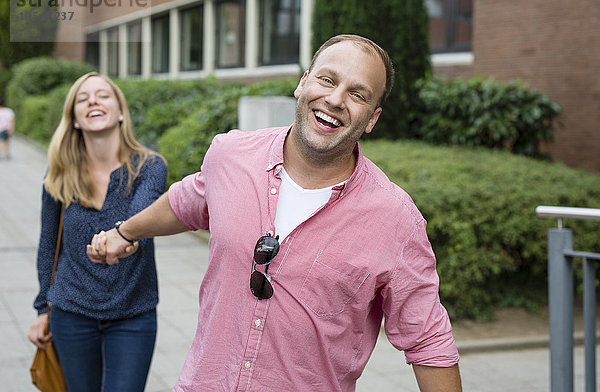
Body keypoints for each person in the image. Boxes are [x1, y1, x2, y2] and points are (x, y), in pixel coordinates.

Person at [89, 34, 462, 391]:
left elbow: (428, 340)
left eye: (357, 94)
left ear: (372, 119)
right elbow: (187, 201)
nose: (334, 99)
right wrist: (125, 233)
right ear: (303, 83)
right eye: (327, 79)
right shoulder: (230, 155)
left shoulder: (395, 219)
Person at [27, 72, 167, 392]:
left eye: (103, 95)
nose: (93, 100)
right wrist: (41, 309)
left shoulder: (150, 167)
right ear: (74, 119)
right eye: (82, 97)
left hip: (134, 313)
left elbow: (138, 224)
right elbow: (49, 245)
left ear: (120, 112)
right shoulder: (59, 175)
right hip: (70, 312)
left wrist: (121, 240)